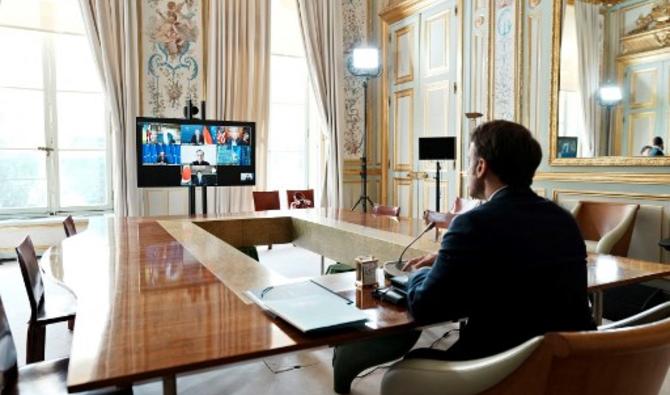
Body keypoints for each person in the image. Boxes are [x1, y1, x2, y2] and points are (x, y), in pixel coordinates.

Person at [331, 120, 595, 393]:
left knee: (400, 373)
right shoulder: (563, 219)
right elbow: (515, 264)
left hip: (500, 368)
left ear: (481, 167)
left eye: (468, 162)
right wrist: (448, 260)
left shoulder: (473, 224)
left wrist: (415, 275)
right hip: (569, 366)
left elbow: (426, 305)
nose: (465, 171)